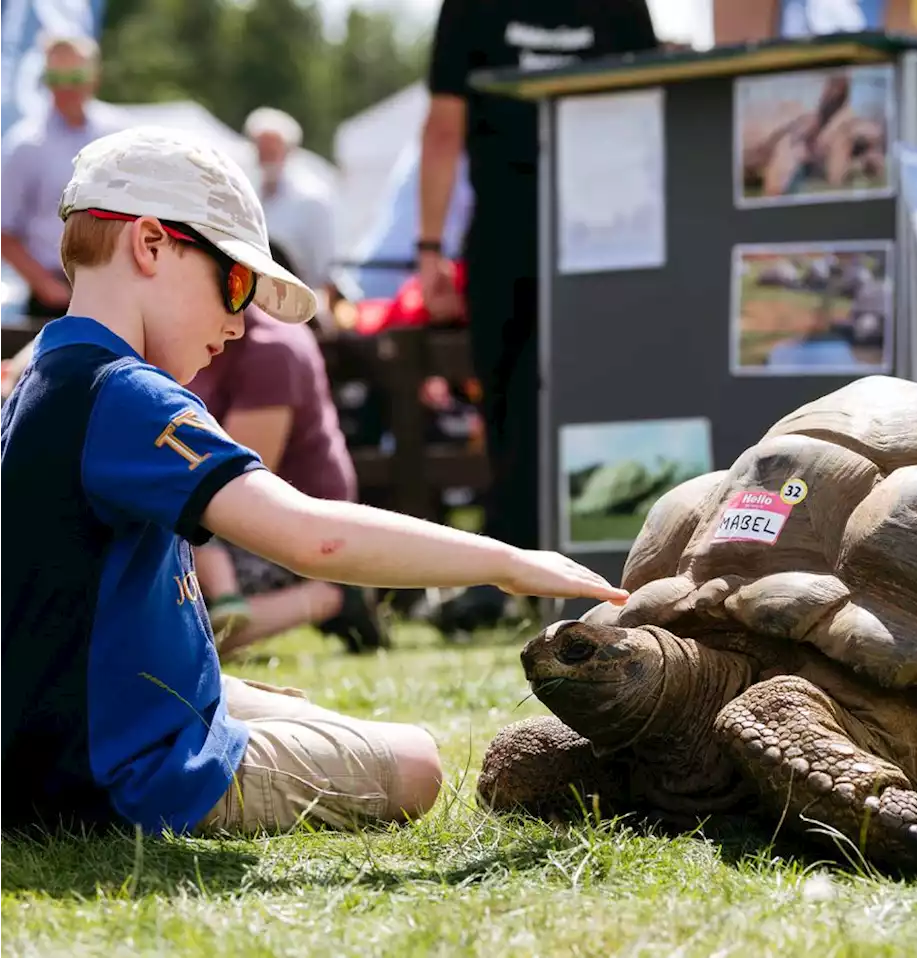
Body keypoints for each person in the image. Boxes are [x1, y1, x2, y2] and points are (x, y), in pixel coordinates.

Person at [0, 125, 627, 837]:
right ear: (150, 244)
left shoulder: (35, 376)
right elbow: (312, 538)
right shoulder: (126, 393)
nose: (240, 324)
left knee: (305, 712)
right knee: (417, 760)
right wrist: (508, 561)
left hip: (50, 749)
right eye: (234, 283)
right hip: (123, 777)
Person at [418, 0, 662, 633]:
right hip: (514, 230)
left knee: (598, 391)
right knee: (506, 402)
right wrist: (427, 247)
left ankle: (618, 564)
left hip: (611, 229)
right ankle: (510, 571)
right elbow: (443, 126)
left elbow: (652, 107)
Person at [186, 304, 389, 658]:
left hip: (290, 530)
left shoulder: (271, 350)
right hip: (219, 513)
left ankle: (331, 598)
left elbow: (232, 483)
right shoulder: (191, 338)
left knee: (171, 608)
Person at [0, 35, 123, 322]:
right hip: (53, 299)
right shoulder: (25, 144)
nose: (65, 87)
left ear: (94, 76)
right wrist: (46, 287)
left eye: (75, 76)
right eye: (55, 77)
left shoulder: (118, 134)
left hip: (114, 289)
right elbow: (4, 231)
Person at [242, 107, 337, 310]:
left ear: (288, 151)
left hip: (301, 304)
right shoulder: (248, 193)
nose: (265, 158)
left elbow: (325, 270)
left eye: (271, 151)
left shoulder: (312, 200)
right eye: (261, 150)